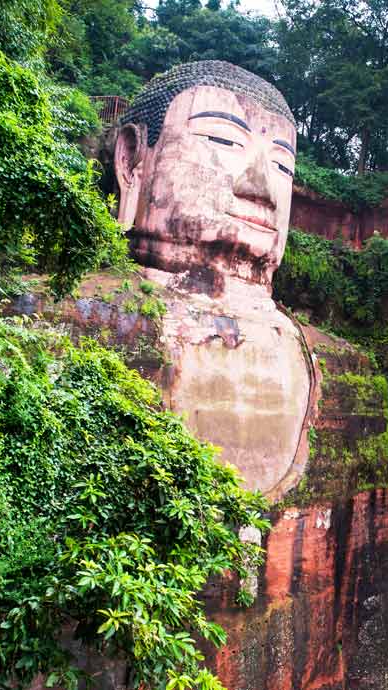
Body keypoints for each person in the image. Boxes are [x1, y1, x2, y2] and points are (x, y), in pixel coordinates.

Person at [113, 61, 311, 498]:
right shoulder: (74, 324)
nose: (258, 186)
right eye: (222, 140)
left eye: (282, 167)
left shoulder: (334, 363)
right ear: (132, 161)